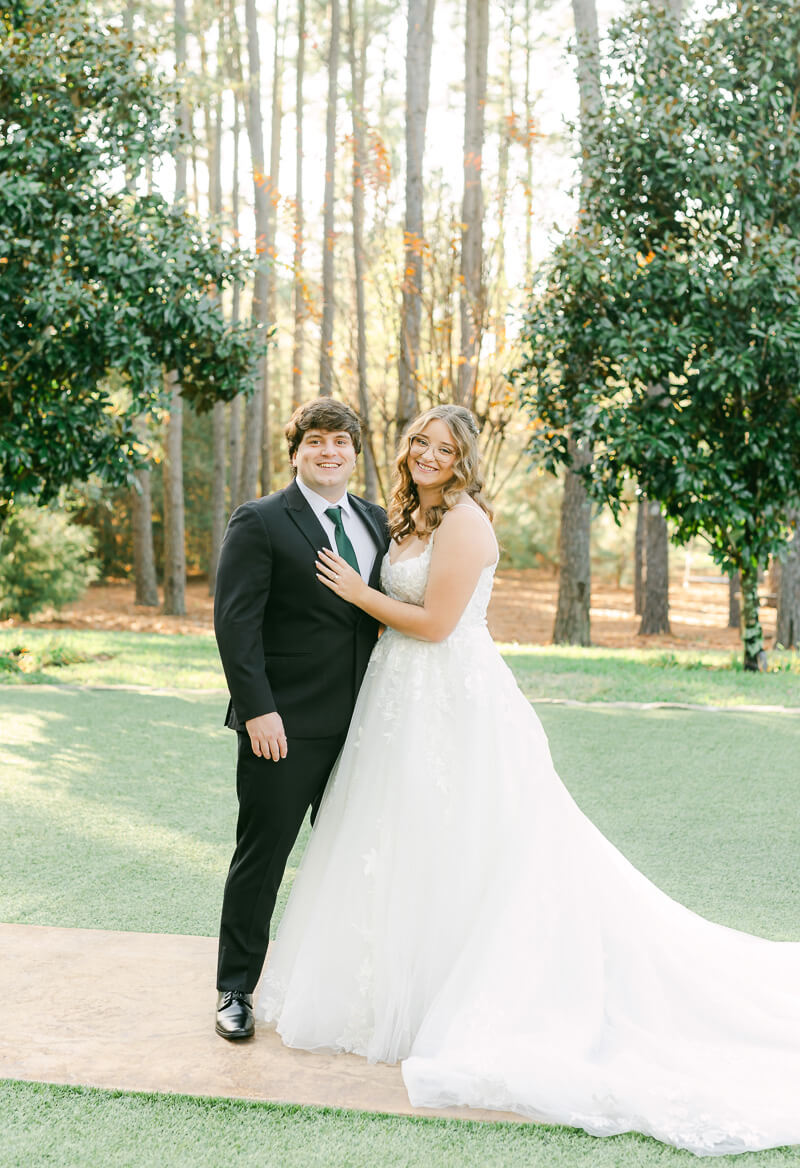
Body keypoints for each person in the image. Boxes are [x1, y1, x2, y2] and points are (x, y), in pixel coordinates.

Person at [255, 403, 800, 1155]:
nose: (427, 454)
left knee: (473, 843)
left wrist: (355, 591)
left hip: (453, 699)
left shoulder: (466, 522)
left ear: (463, 458)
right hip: (396, 702)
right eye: (420, 442)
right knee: (402, 843)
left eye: (443, 448)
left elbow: (438, 624)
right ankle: (390, 992)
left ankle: (466, 998)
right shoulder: (403, 517)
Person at [213, 397, 388, 1040]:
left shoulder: (376, 521)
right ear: (296, 453)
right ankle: (235, 989)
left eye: (341, 442)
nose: (329, 452)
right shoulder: (259, 520)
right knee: (263, 859)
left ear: (355, 454)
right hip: (282, 728)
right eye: (315, 441)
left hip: (369, 724)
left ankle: (357, 991)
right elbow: (236, 626)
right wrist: (258, 710)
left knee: (363, 859)